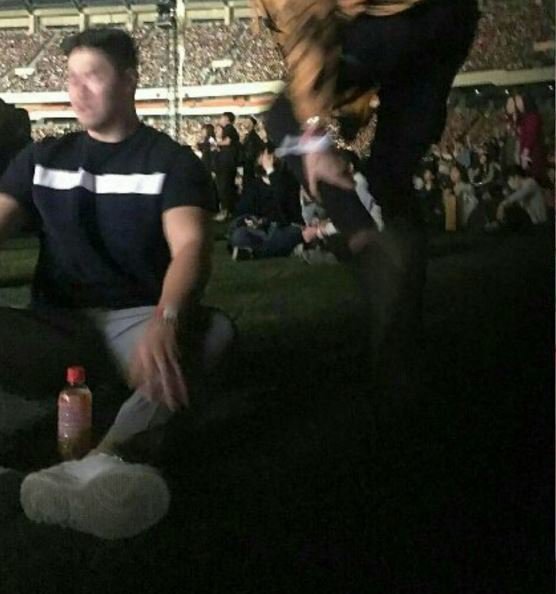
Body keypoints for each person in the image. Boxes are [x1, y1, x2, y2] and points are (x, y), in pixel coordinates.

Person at [0, 28, 235, 540]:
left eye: (93, 77)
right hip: (54, 324)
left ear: (129, 81)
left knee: (212, 331)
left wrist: (166, 317)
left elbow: (191, 247)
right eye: (69, 78)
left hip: (137, 321)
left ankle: (101, 462)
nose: (76, 91)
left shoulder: (169, 162)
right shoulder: (42, 158)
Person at [255, 0, 480, 435]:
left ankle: (361, 239)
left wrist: (315, 131)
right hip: (452, 20)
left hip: (398, 19)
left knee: (284, 115)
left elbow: (307, 25)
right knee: (390, 181)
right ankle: (400, 353)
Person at [495, 165, 548, 229]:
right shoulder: (522, 187)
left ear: (516, 177)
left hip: (541, 224)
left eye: (509, 180)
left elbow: (519, 194)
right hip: (534, 223)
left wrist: (502, 204)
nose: (509, 184)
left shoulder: (530, 183)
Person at [214, 112, 240, 221]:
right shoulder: (230, 129)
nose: (220, 119)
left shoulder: (229, 128)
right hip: (229, 162)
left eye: (222, 117)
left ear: (227, 119)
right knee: (227, 187)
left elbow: (227, 142)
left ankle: (225, 212)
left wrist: (217, 143)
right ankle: (229, 211)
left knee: (225, 187)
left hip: (227, 163)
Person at [241, 116, 265, 187]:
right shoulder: (248, 136)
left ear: (252, 124)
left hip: (250, 165)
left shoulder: (253, 137)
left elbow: (251, 152)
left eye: (247, 122)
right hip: (249, 164)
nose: (245, 124)